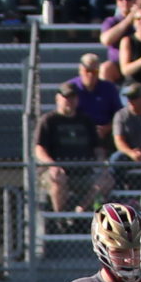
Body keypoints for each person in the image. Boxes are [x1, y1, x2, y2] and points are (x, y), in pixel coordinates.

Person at [34, 83, 105, 214]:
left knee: (106, 179)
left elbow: (98, 148)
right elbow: (39, 149)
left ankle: (80, 210)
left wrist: (101, 163)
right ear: (58, 99)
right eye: (65, 97)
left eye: (72, 97)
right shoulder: (48, 120)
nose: (69, 101)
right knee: (58, 179)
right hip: (56, 171)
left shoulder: (86, 120)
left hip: (84, 172)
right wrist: (53, 165)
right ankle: (60, 218)